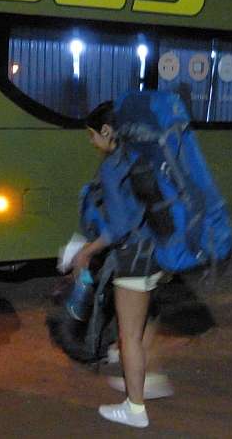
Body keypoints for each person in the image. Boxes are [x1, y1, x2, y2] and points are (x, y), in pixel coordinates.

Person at [71, 101, 172, 429]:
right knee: (145, 322)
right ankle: (146, 379)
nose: (91, 142)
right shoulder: (147, 152)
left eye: (92, 135)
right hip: (159, 251)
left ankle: (135, 407)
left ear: (107, 131)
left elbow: (119, 225)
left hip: (134, 257)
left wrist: (86, 250)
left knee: (128, 336)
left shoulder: (115, 166)